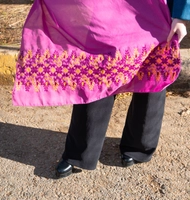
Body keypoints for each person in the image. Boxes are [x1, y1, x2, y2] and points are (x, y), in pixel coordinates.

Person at [12, 0, 190, 179]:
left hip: (155, 7)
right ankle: (80, 152)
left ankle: (140, 146)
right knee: (98, 69)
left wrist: (182, 14)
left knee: (153, 68)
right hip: (103, 8)